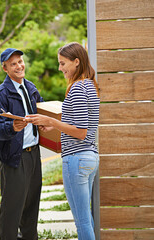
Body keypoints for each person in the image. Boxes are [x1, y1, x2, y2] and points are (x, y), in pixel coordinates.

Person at [25, 42, 100, 240]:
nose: (60, 68)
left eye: (63, 63)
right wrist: (54, 125)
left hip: (76, 159)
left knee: (81, 221)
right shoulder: (90, 85)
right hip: (89, 157)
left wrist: (51, 120)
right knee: (86, 218)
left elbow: (81, 132)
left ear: (76, 62)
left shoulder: (76, 88)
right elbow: (81, 123)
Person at [0, 48, 44, 240]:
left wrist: (44, 124)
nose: (19, 66)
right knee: (12, 210)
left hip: (34, 155)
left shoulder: (30, 88)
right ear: (5, 68)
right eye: (13, 64)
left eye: (20, 61)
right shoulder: (0, 95)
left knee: (31, 208)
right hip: (14, 158)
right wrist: (12, 127)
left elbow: (41, 112)